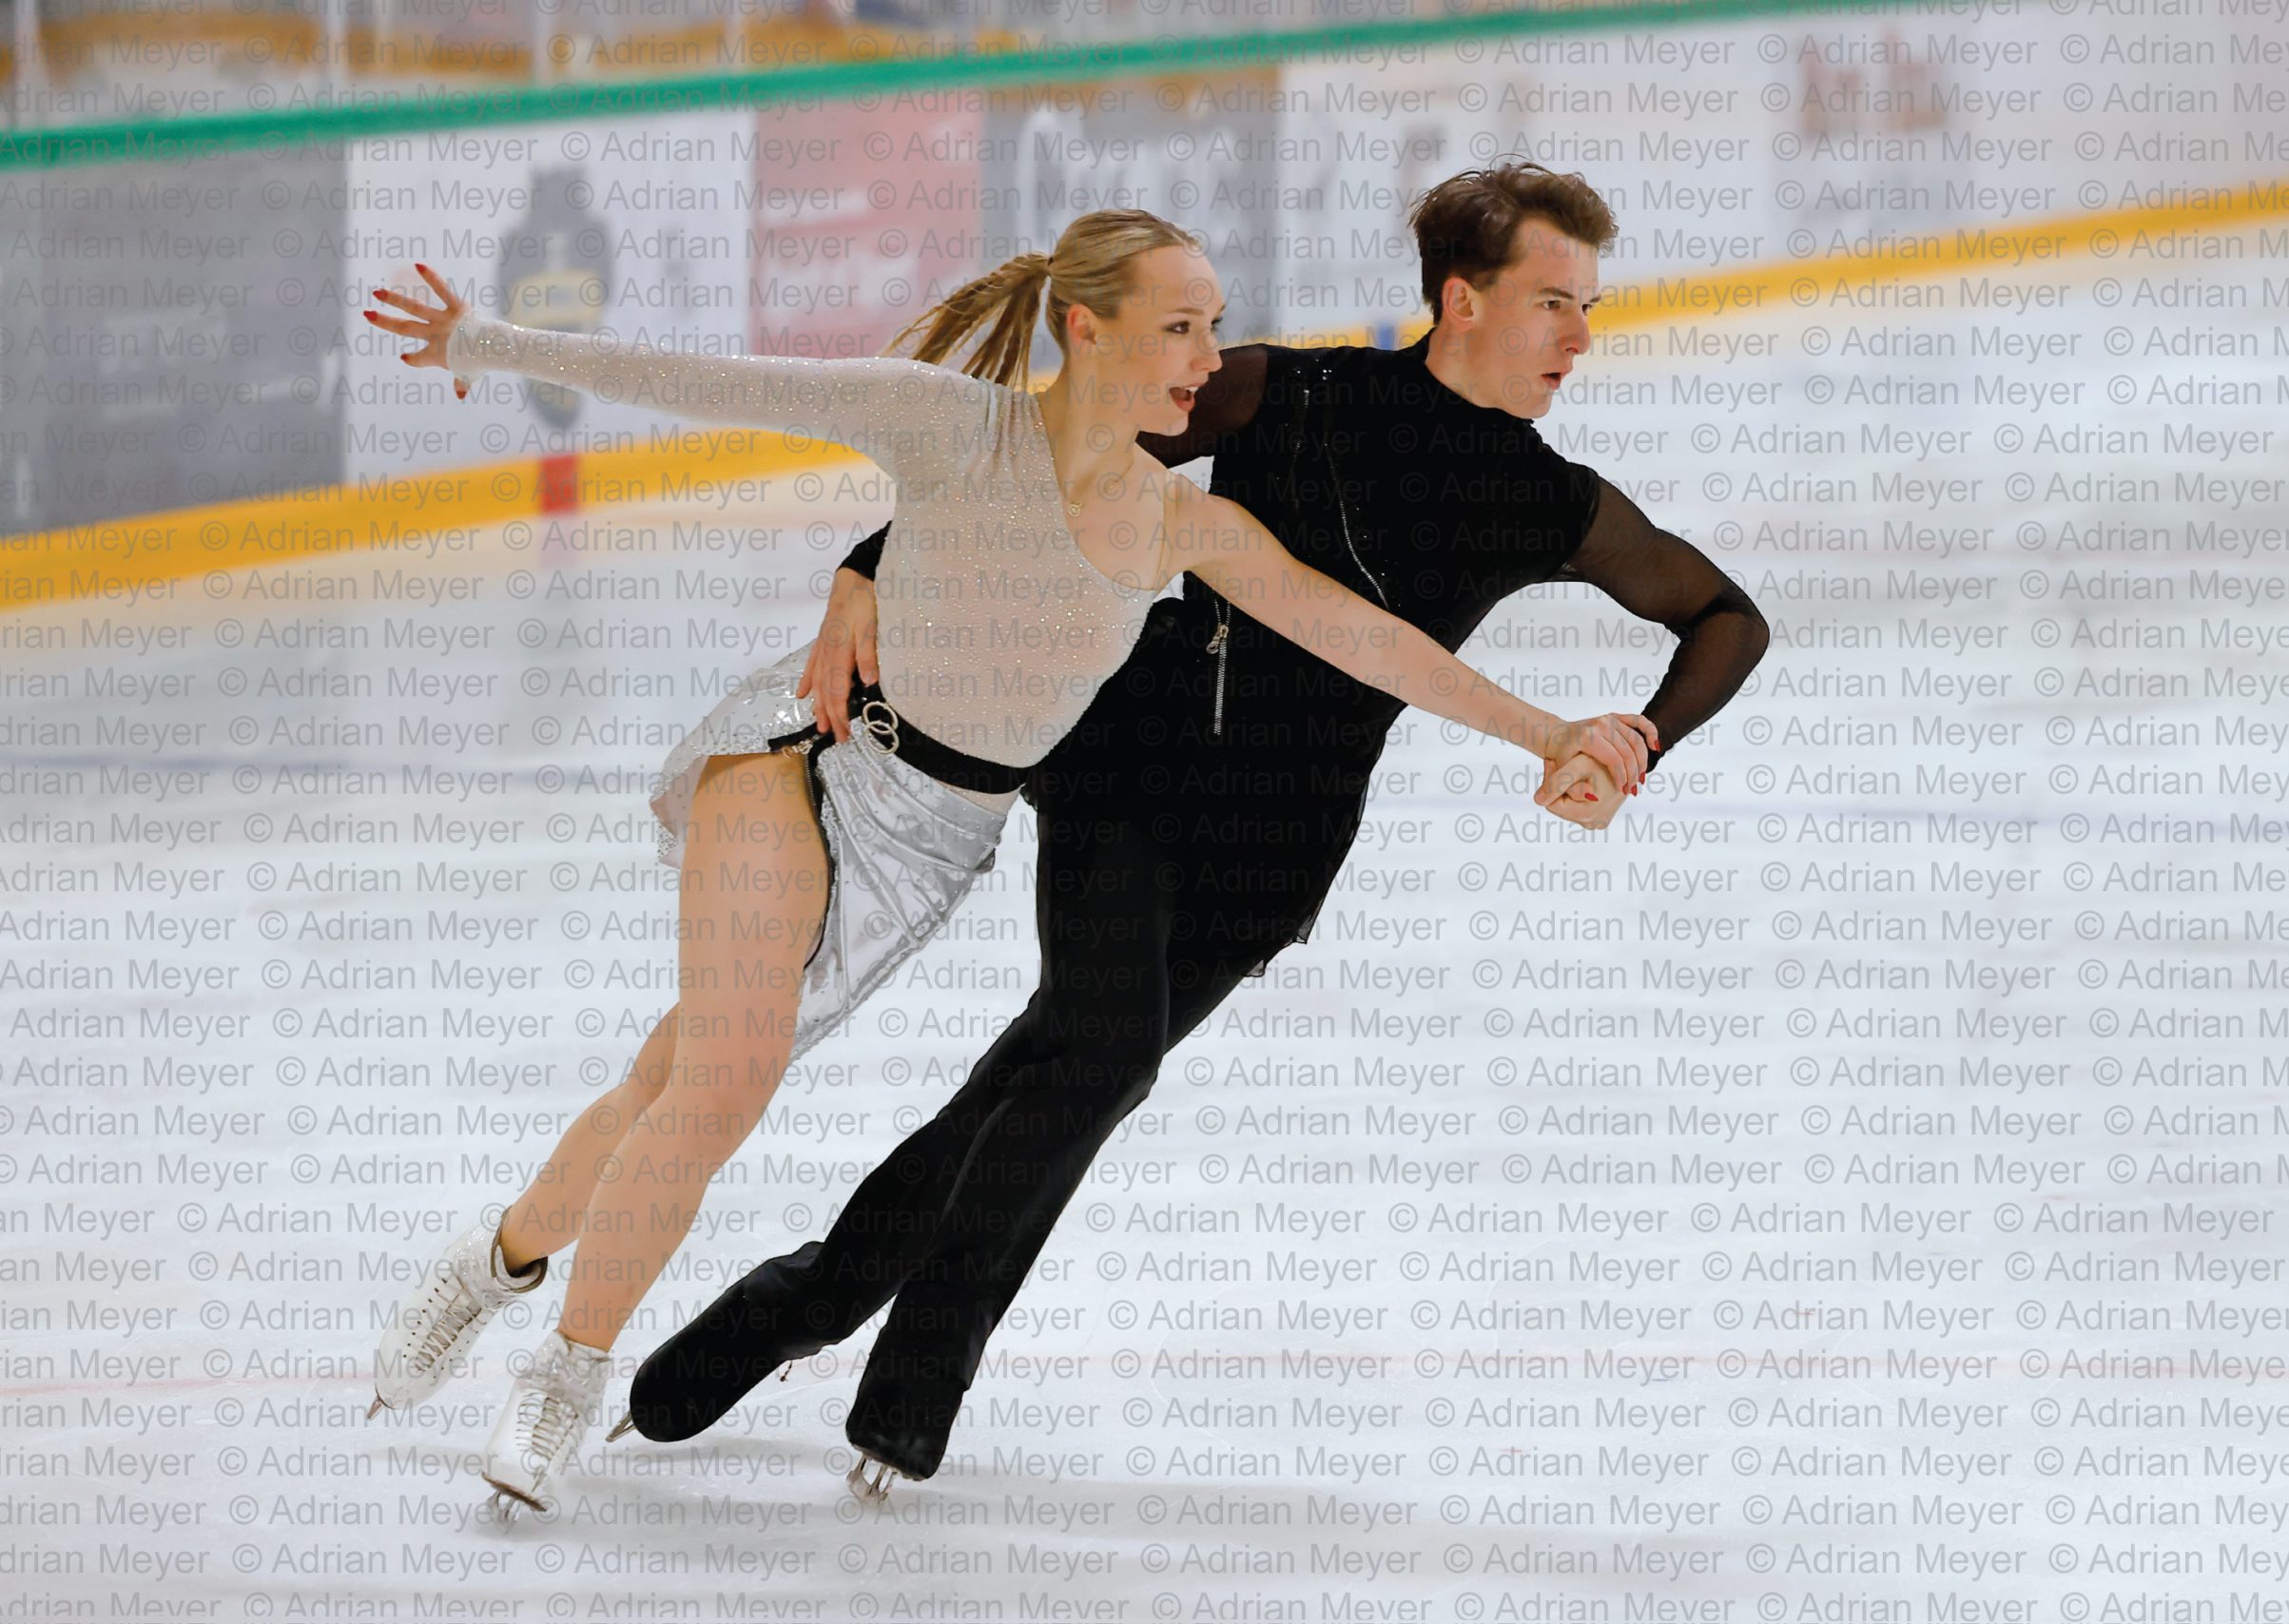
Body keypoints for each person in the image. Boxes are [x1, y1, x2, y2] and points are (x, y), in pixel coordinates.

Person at [354, 211, 1647, 1519]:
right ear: (1087, 329)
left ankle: (493, 1262)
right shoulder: (947, 426)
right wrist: (487, 338)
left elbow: (1369, 639)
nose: (1208, 357)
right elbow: (724, 385)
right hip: (809, 762)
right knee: (722, 1090)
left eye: (1210, 324)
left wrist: (1548, 731)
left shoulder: (1173, 525)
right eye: (1178, 328)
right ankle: (564, 1378)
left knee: (667, 1083)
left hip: (931, 851)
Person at [623, 163, 1773, 1499]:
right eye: (1555, 302)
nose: (1582, 337)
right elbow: (1032, 467)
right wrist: (862, 571)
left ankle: (800, 1299)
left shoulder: (1548, 501)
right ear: (1462, 301)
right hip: (1130, 766)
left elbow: (1728, 615)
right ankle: (913, 1381)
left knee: (1051, 1072)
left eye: (1590, 306)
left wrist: (1634, 737)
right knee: (1099, 1052)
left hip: (1276, 850)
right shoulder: (1292, 393)